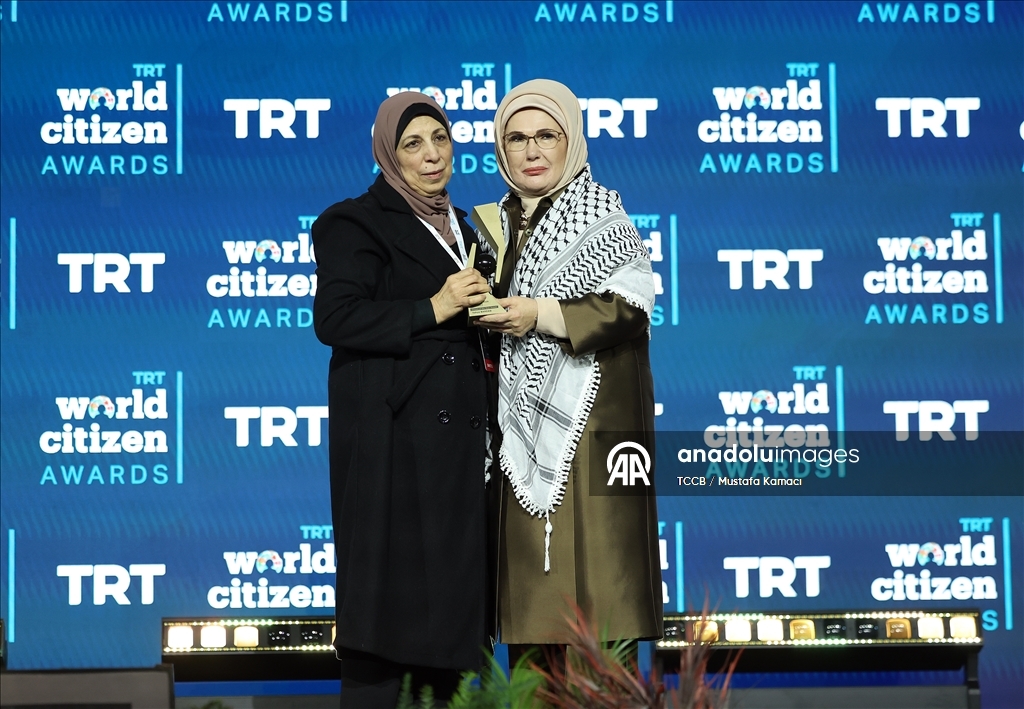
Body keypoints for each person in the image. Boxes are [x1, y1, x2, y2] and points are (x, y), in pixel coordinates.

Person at [311, 92, 492, 708]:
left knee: (450, 640)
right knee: (385, 635)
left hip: (460, 461)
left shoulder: (468, 228)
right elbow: (336, 318)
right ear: (389, 154)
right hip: (394, 455)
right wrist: (433, 308)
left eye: (440, 139)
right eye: (413, 144)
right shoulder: (354, 222)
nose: (431, 155)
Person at [476, 79, 663, 664]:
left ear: (572, 141)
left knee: (601, 630)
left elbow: (629, 308)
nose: (531, 151)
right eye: (516, 139)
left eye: (546, 136)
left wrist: (540, 313)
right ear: (501, 149)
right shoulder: (490, 228)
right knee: (535, 629)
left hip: (592, 435)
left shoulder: (602, 216)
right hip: (519, 438)